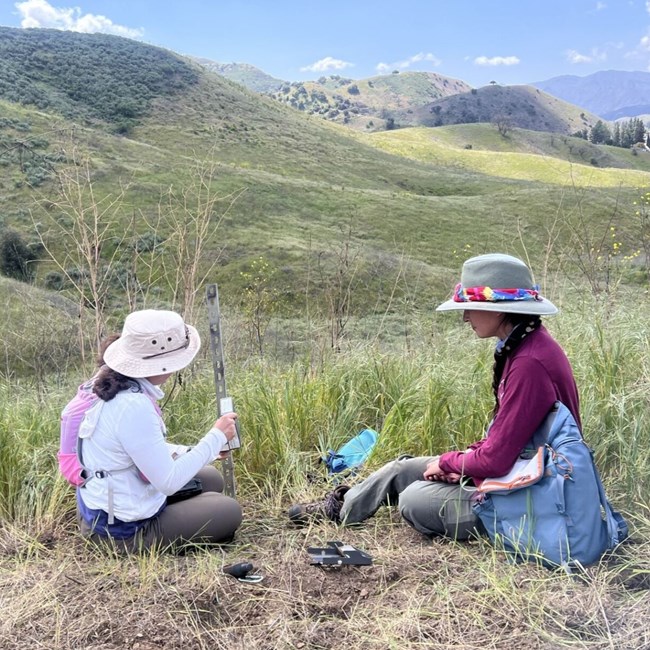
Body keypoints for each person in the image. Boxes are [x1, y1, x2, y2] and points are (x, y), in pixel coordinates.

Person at [288, 253, 580, 540]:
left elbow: (497, 460)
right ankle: (343, 507)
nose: (465, 317)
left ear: (498, 308)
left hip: (532, 495)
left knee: (415, 499)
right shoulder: (523, 347)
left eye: (469, 307)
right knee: (401, 470)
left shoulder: (529, 363)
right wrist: (462, 463)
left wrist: (455, 465)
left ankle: (497, 521)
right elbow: (505, 441)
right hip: (517, 471)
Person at [75, 309, 242, 552]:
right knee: (229, 510)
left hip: (108, 505)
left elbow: (140, 449)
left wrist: (196, 450)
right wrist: (216, 437)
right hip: (120, 531)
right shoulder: (133, 406)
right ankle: (140, 543)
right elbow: (169, 482)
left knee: (211, 479)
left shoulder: (117, 386)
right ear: (161, 364)